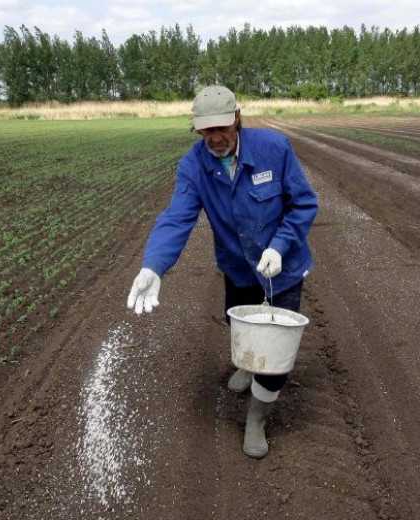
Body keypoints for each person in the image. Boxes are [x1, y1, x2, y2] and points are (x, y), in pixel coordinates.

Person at [126, 85, 318, 458]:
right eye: (206, 131)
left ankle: (257, 418)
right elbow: (177, 218)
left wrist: (279, 247)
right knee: (239, 325)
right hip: (237, 266)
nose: (215, 138)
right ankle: (247, 367)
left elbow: (303, 204)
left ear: (237, 120)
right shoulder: (194, 165)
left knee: (276, 352)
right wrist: (154, 265)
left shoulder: (273, 150)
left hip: (284, 268)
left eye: (222, 129)